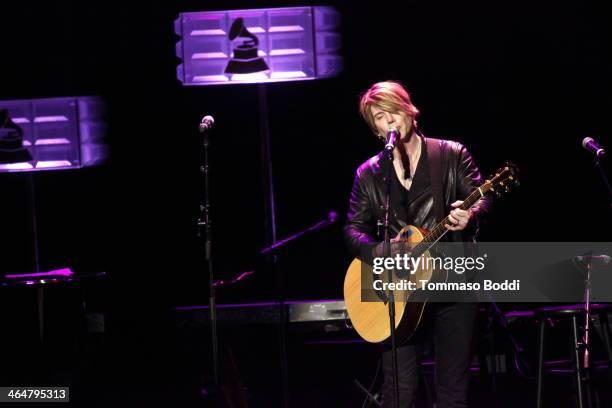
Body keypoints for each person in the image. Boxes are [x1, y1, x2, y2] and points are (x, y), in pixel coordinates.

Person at [343, 80, 490, 407]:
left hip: (453, 282)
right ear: (375, 128)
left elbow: (480, 197)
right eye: (379, 117)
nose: (389, 121)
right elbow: (353, 229)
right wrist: (377, 250)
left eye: (394, 111)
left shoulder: (450, 154)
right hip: (398, 290)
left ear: (410, 111)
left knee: (452, 390)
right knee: (399, 390)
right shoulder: (369, 174)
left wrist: (471, 215)